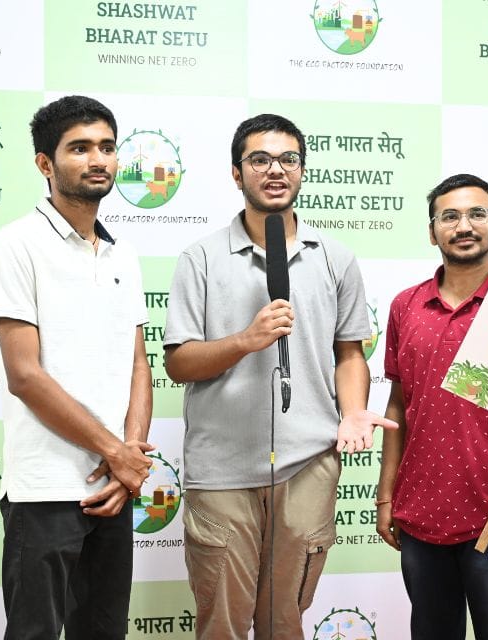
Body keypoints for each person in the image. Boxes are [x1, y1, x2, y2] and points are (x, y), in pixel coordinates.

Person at [163, 113, 397, 639]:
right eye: (260, 160)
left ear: (302, 171)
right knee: (222, 625)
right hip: (224, 470)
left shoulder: (336, 259)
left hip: (307, 464)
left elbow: (349, 353)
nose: (275, 170)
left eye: (288, 159)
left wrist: (353, 411)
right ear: (236, 173)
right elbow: (179, 362)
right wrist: (245, 340)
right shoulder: (200, 259)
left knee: (285, 622)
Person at [0, 95, 154, 640]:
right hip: (44, 488)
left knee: (104, 632)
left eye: (106, 147)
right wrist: (116, 453)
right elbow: (25, 375)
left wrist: (128, 460)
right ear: (45, 163)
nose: (97, 159)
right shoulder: (16, 244)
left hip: (112, 488)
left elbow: (138, 364)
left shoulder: (123, 254)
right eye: (79, 148)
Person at [375, 173, 488, 640]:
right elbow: (399, 406)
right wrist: (386, 495)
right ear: (432, 231)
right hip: (420, 511)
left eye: (477, 214)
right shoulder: (405, 306)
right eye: (449, 216)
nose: (464, 226)